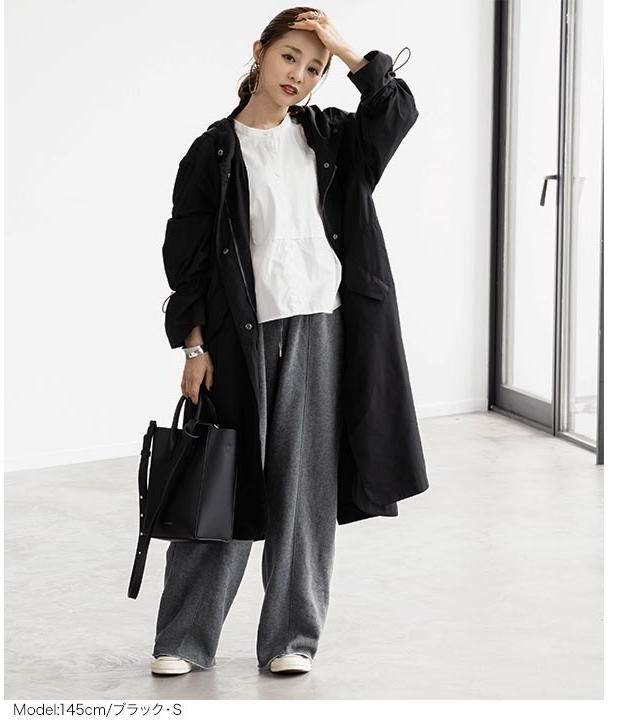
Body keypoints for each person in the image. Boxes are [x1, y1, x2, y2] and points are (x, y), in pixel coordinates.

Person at [150, 6, 425, 676]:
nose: (298, 74)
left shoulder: (331, 137)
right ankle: (183, 639)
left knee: (306, 493)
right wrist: (193, 347)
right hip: (237, 337)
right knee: (220, 482)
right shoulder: (213, 151)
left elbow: (396, 112)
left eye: (314, 67)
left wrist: (346, 50)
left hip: (321, 330)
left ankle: (291, 639)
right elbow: (186, 258)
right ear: (260, 52)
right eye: (289, 57)